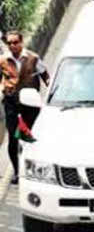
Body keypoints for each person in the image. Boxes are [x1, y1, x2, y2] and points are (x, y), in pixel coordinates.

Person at [0, 30, 50, 184]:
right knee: (13, 138)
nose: (13, 45)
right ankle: (16, 171)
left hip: (30, 102)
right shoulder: (3, 61)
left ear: (21, 42)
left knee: (31, 136)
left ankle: (37, 169)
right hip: (11, 102)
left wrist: (50, 94)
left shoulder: (33, 58)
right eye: (10, 43)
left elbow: (46, 76)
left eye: (16, 42)